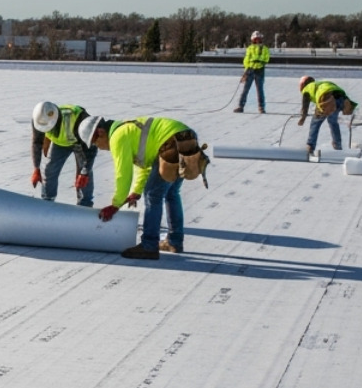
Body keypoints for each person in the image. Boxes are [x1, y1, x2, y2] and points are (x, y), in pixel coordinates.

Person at [83, 114, 208, 261]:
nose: (99, 148)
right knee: (172, 193)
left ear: (100, 132)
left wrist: (116, 204)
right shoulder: (127, 130)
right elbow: (144, 165)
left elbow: (123, 173)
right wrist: (135, 192)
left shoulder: (118, 136)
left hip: (170, 142)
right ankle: (175, 242)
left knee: (153, 195)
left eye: (96, 143)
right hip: (186, 137)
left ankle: (149, 246)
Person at [30, 100, 96, 207]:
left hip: (81, 143)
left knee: (83, 177)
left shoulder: (80, 120)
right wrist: (36, 168)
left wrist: (84, 172)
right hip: (59, 142)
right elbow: (37, 142)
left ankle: (85, 204)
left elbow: (91, 148)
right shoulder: (39, 119)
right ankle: (47, 201)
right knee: (49, 170)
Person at [298, 76, 356, 152]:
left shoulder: (306, 89)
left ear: (302, 85)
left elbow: (305, 106)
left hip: (326, 98)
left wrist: (303, 118)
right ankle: (337, 145)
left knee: (315, 123)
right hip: (341, 98)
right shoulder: (321, 83)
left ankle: (310, 146)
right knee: (333, 122)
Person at [235, 31, 269, 113]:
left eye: (258, 39)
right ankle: (241, 106)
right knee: (245, 89)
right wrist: (246, 68)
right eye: (255, 39)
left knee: (260, 90)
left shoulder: (264, 48)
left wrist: (260, 62)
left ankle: (261, 107)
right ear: (253, 39)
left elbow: (266, 58)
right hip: (250, 70)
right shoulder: (250, 48)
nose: (257, 40)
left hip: (259, 70)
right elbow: (246, 59)